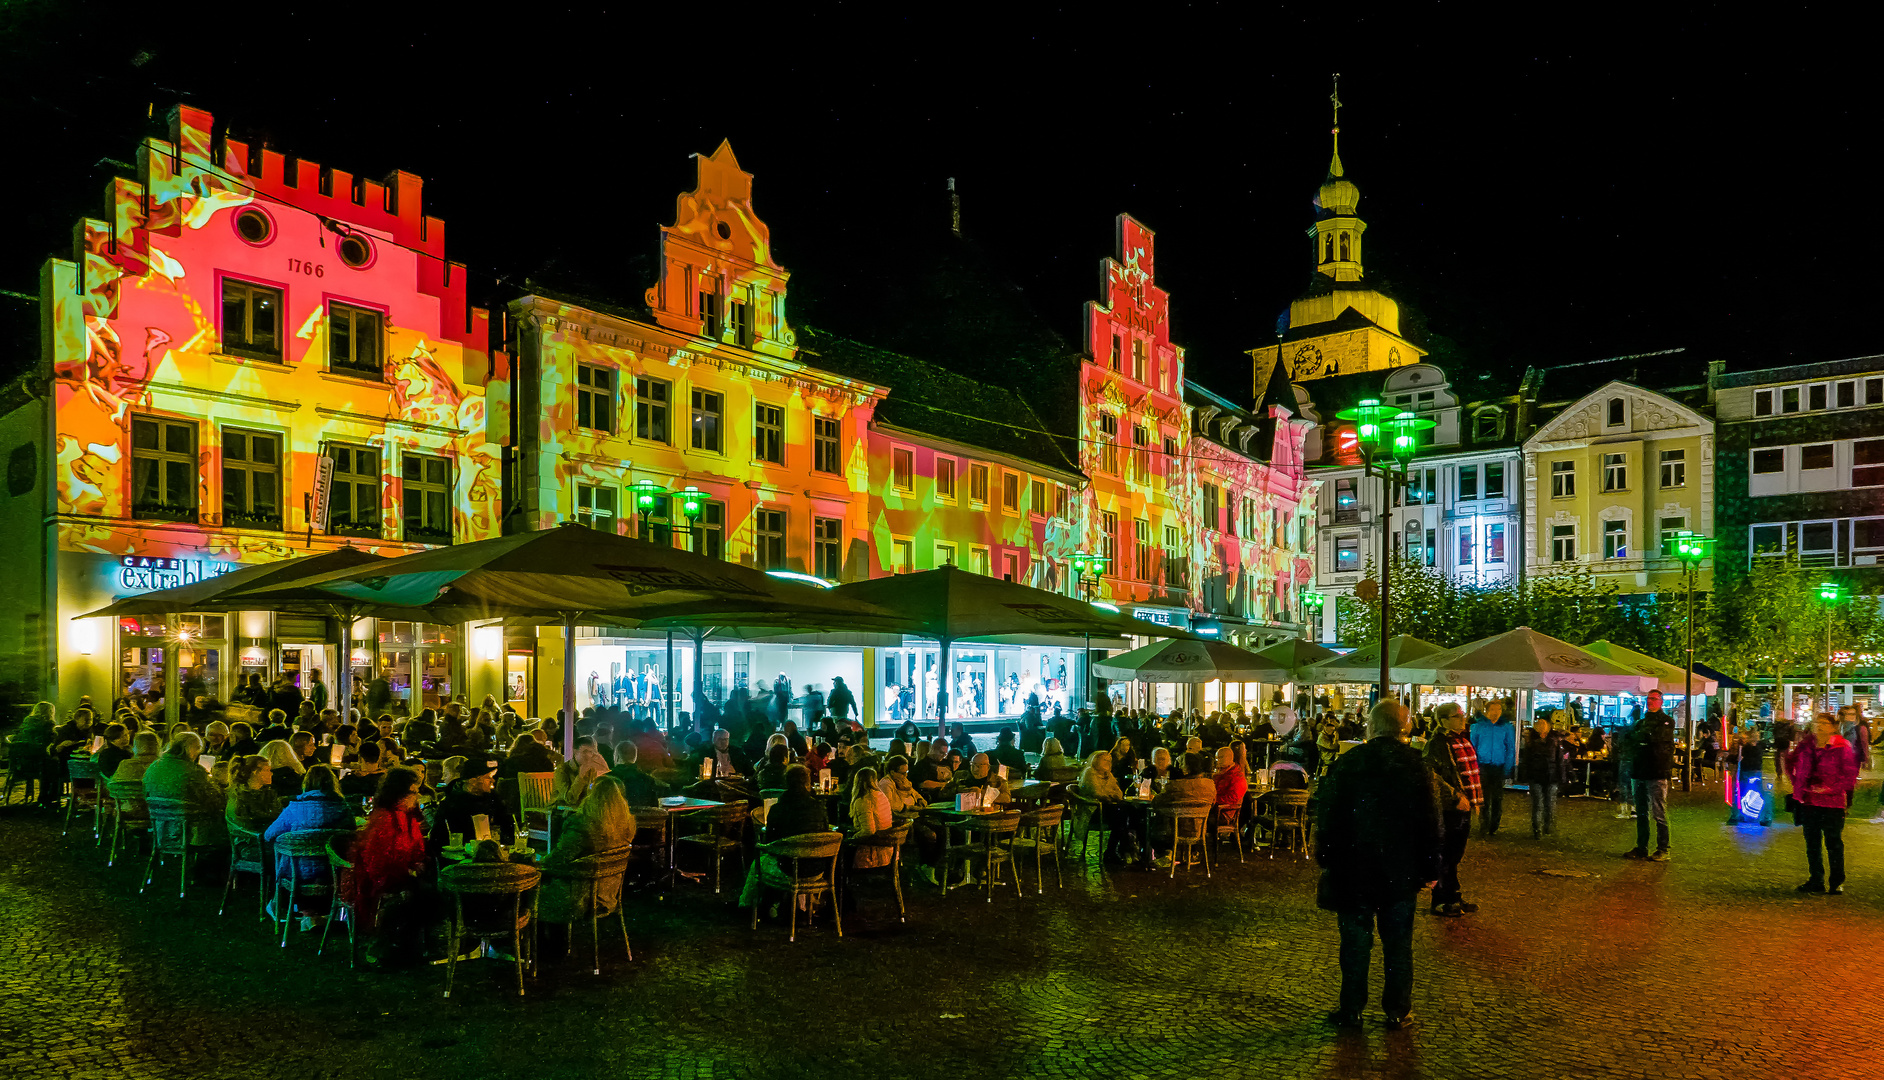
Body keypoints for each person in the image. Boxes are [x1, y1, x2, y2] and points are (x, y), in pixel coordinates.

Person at [1316, 700, 1442, 1030]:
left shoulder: (1349, 763)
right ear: (1407, 729)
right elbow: (1431, 822)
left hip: (1353, 869)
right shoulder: (1417, 766)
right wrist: (1431, 869)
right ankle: (1398, 1010)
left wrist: (1326, 858)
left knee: (1355, 945)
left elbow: (1328, 816)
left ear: (1370, 727)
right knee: (1398, 944)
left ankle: (1352, 1009)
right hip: (1400, 872)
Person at [345, 767, 432, 967]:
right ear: (399, 793)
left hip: (403, 875)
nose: (417, 796)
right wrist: (406, 871)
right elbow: (376, 861)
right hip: (377, 881)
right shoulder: (384, 820)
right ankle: (386, 947)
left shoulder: (408, 818)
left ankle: (407, 947)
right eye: (413, 792)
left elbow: (416, 848)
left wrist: (417, 862)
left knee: (428, 893)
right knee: (413, 897)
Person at [538, 774, 636, 925]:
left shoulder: (582, 827)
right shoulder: (626, 825)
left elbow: (556, 860)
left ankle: (531, 945)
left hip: (578, 899)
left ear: (592, 797)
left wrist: (534, 863)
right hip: (608, 896)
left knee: (525, 889)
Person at [264, 765, 354, 925]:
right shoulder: (343, 808)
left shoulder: (294, 808)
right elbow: (350, 835)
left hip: (296, 872)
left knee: (280, 854)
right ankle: (317, 914)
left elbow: (269, 834)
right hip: (332, 871)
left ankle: (289, 907)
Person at [740, 764, 830, 912]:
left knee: (759, 861)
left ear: (786, 783)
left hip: (788, 869)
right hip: (817, 869)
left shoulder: (778, 809)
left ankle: (747, 906)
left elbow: (770, 842)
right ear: (807, 783)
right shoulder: (819, 807)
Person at [1788, 713, 1858, 894]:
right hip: (1810, 801)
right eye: (1816, 723)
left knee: (1833, 842)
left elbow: (1849, 775)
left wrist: (1830, 789)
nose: (1818, 726)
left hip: (1833, 803)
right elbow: (1790, 763)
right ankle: (1816, 880)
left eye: (1823, 723)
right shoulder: (1806, 745)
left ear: (1833, 727)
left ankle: (1836, 881)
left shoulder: (1842, 747)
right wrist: (1798, 785)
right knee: (1812, 843)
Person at [1423, 703, 1481, 917]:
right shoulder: (1438, 743)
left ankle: (1453, 895)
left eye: (1462, 714)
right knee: (1446, 855)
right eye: (1456, 716)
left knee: (1455, 855)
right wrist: (1455, 795)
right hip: (1449, 808)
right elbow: (1431, 774)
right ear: (1443, 720)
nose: (1462, 718)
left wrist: (1473, 800)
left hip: (1463, 805)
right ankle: (1440, 900)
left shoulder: (1461, 739)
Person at [142, 732, 228, 849]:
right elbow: (212, 801)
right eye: (197, 748)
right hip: (190, 827)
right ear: (187, 748)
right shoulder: (193, 771)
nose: (199, 752)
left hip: (160, 824)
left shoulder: (154, 767)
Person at [1623, 690, 1676, 862]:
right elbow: (1631, 739)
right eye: (1649, 699)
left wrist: (1643, 740)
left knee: (1658, 812)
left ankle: (1663, 848)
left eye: (1654, 699)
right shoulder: (1641, 722)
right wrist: (1641, 740)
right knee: (1642, 813)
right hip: (1639, 771)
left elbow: (1655, 741)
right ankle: (1642, 847)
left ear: (1661, 702)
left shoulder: (1666, 722)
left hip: (1657, 772)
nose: (1650, 702)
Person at [428, 756, 517, 855]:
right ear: (473, 780)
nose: (493, 781)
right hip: (461, 857)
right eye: (489, 777)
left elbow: (507, 825)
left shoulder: (493, 799)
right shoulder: (452, 803)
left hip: (494, 853)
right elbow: (438, 838)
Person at [1468, 699, 1516, 839]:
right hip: (1483, 766)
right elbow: (1473, 747)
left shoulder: (1506, 727)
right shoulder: (1478, 727)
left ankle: (1494, 825)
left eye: (1499, 710)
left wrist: (1508, 766)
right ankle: (1484, 824)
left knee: (1497, 798)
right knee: (1484, 798)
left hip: (1499, 765)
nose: (1496, 713)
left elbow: (1510, 748)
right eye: (1493, 709)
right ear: (1486, 711)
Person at [1519, 711, 1571, 839]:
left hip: (1547, 776)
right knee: (1542, 804)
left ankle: (1544, 827)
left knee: (1546, 804)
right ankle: (1540, 828)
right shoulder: (1539, 742)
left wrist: (1561, 776)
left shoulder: (1548, 742)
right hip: (1542, 776)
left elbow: (1559, 760)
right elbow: (1527, 760)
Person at [1077, 750, 1131, 864]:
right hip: (1093, 810)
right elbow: (1097, 792)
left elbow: (1119, 793)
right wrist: (1110, 795)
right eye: (1104, 760)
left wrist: (1111, 795)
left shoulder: (1108, 775)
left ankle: (1114, 850)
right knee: (1120, 816)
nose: (1108, 763)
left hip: (1108, 809)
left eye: (1109, 760)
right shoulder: (1090, 773)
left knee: (1124, 814)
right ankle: (1123, 849)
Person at [848, 766, 894, 870]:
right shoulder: (881, 795)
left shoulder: (864, 801)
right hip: (888, 848)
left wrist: (853, 837)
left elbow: (869, 830)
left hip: (872, 851)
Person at [225, 755, 283, 832]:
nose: (271, 773)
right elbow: (260, 822)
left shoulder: (263, 793)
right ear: (255, 772)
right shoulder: (243, 797)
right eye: (267, 770)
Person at [1211, 745, 1247, 811]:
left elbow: (1232, 798)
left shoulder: (1237, 777)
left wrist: (1213, 800)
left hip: (1224, 813)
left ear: (1230, 757)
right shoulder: (1218, 774)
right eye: (1216, 758)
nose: (1217, 760)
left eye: (1221, 757)